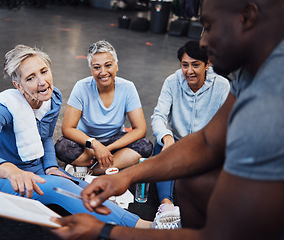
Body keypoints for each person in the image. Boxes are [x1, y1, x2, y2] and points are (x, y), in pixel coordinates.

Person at [51, 0, 284, 239]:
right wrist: (125, 176)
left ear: (247, 16)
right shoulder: (251, 70)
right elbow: (206, 141)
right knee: (189, 185)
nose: (203, 41)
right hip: (108, 150)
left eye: (209, 26)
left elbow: (216, 235)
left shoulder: (272, 96)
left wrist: (105, 230)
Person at [0, 44, 151, 228]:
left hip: (37, 169)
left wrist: (51, 167)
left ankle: (125, 220)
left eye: (44, 71)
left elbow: (46, 137)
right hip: (3, 179)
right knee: (60, 188)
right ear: (18, 86)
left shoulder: (52, 100)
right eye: (31, 78)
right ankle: (143, 227)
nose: (42, 82)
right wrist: (10, 170)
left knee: (86, 187)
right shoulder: (4, 108)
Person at [150, 40, 230, 229]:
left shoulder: (222, 86)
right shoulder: (172, 81)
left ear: (207, 64)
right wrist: (167, 137)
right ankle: (166, 207)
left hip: (206, 144)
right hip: (176, 142)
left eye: (195, 65)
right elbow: (158, 115)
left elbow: (227, 124)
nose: (189, 71)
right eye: (185, 65)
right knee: (160, 145)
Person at [55, 40, 153, 175]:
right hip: (87, 144)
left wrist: (107, 148)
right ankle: (109, 165)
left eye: (108, 65)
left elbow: (140, 129)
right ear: (91, 68)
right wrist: (95, 145)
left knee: (145, 146)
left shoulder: (128, 87)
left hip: (114, 142)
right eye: (96, 67)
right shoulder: (81, 87)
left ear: (116, 66)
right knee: (62, 147)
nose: (103, 72)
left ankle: (93, 170)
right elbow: (67, 128)